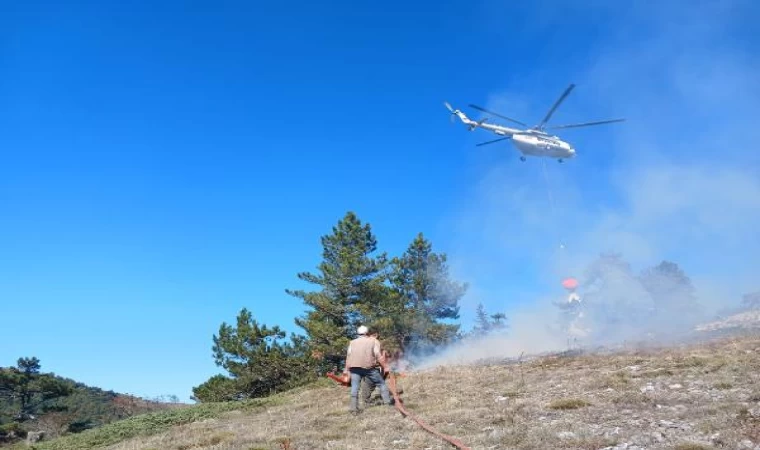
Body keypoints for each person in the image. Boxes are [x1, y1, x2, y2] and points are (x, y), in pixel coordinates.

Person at [343, 325, 392, 414]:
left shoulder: (352, 342)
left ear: (358, 333)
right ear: (367, 333)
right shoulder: (372, 342)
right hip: (369, 368)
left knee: (355, 388)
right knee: (381, 384)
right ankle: (388, 404)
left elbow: (348, 357)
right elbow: (378, 356)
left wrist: (346, 370)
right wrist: (385, 367)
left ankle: (353, 409)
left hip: (354, 368)